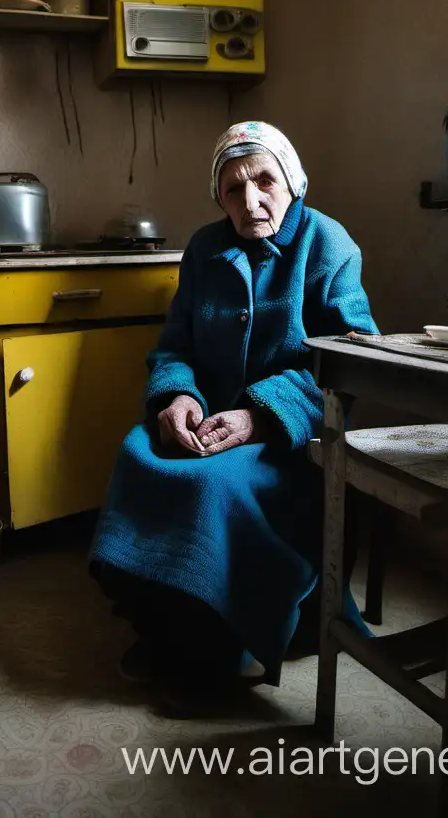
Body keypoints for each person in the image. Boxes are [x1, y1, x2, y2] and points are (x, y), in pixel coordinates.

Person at [89, 120, 378, 711]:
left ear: (291, 181)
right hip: (211, 420)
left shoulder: (327, 243)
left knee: (213, 485)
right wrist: (177, 398)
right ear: (218, 197)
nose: (251, 200)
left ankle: (209, 651)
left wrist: (257, 418)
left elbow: (355, 357)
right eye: (233, 188)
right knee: (139, 452)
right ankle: (164, 624)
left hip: (292, 435)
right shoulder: (204, 249)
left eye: (265, 180)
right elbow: (175, 346)